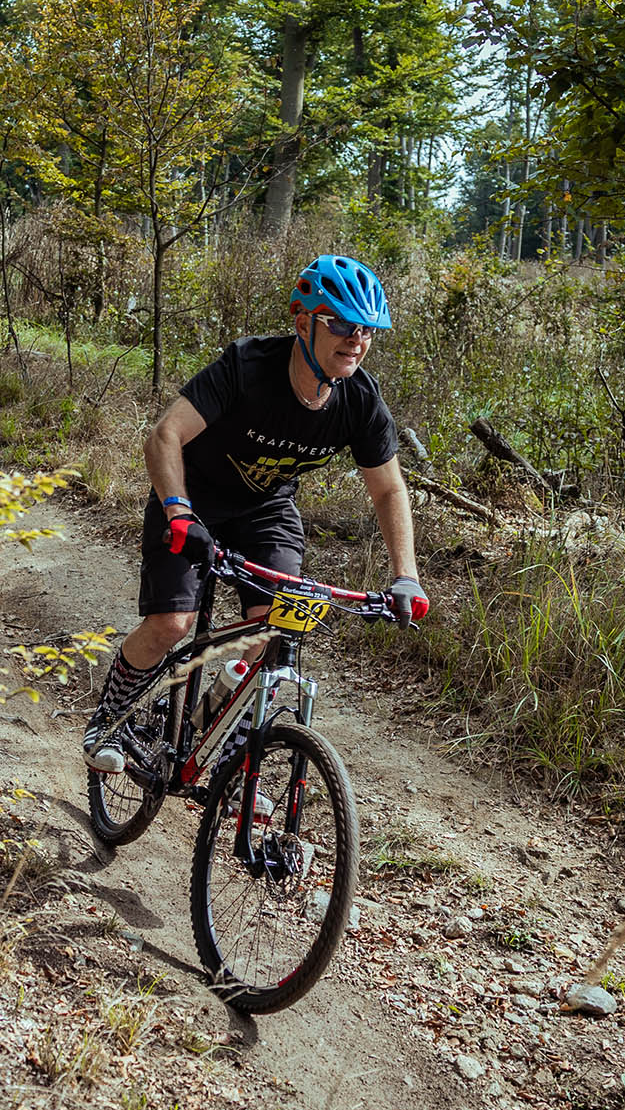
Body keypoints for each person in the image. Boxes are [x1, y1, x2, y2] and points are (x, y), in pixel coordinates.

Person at [83, 254, 428, 772]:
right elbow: (164, 436)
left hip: (266, 508)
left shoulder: (360, 401)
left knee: (275, 630)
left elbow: (388, 491)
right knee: (172, 624)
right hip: (191, 497)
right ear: (303, 323)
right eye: (341, 325)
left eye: (367, 330)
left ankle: (227, 760)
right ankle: (108, 720)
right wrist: (178, 511)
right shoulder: (247, 367)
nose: (356, 340)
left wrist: (407, 577)